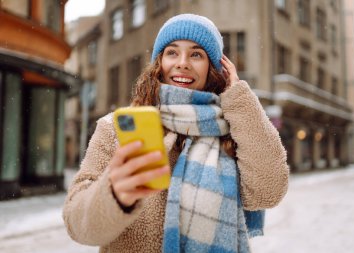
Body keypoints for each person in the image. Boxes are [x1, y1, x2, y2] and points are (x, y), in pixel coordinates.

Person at [63, 14, 289, 253]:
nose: (183, 63)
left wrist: (239, 98)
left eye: (196, 54)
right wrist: (114, 195)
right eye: (172, 52)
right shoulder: (118, 128)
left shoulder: (235, 130)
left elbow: (268, 191)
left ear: (215, 69)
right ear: (159, 63)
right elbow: (77, 224)